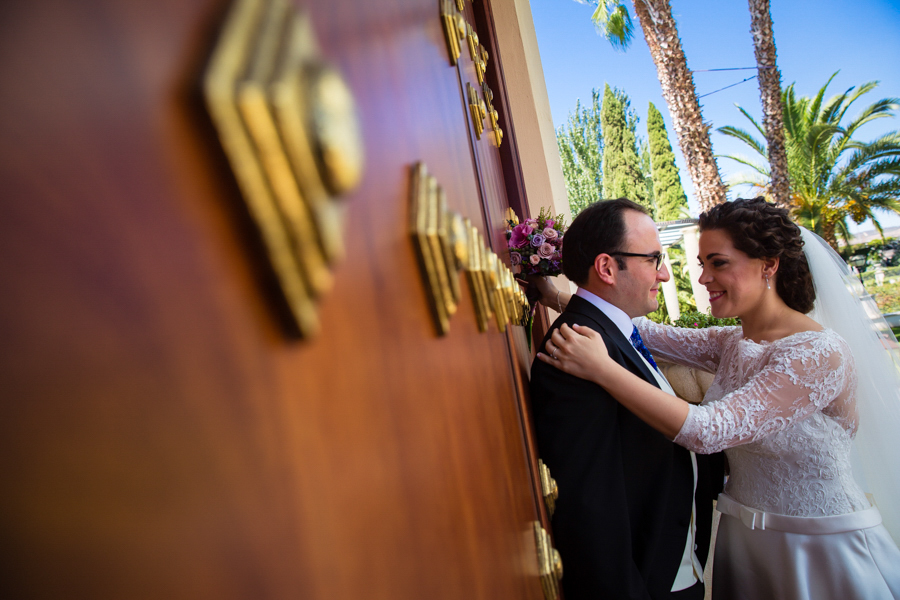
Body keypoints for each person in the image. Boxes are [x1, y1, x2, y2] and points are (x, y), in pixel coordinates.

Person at [538, 198, 900, 600]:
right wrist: (555, 294)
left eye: (718, 263)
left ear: (768, 264)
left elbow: (710, 430)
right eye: (702, 264)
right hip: (744, 540)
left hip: (818, 542)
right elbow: (635, 327)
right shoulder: (731, 342)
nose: (702, 278)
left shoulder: (818, 354)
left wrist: (603, 370)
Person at [529, 198, 724, 600]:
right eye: (654, 259)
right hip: (649, 579)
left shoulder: (615, 332)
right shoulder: (575, 348)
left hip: (677, 565)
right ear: (606, 268)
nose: (665, 274)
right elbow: (589, 505)